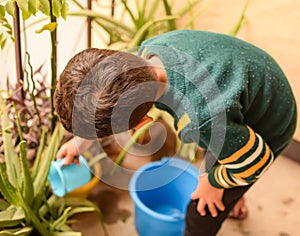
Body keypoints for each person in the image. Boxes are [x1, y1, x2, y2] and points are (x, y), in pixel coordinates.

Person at [54, 29, 297, 235]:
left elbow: (256, 161)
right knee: (219, 146)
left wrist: (213, 183)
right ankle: (234, 197)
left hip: (269, 123)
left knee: (201, 212)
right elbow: (106, 95)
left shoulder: (204, 118)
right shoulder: (146, 57)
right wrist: (81, 142)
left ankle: (222, 201)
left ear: (140, 124)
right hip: (248, 80)